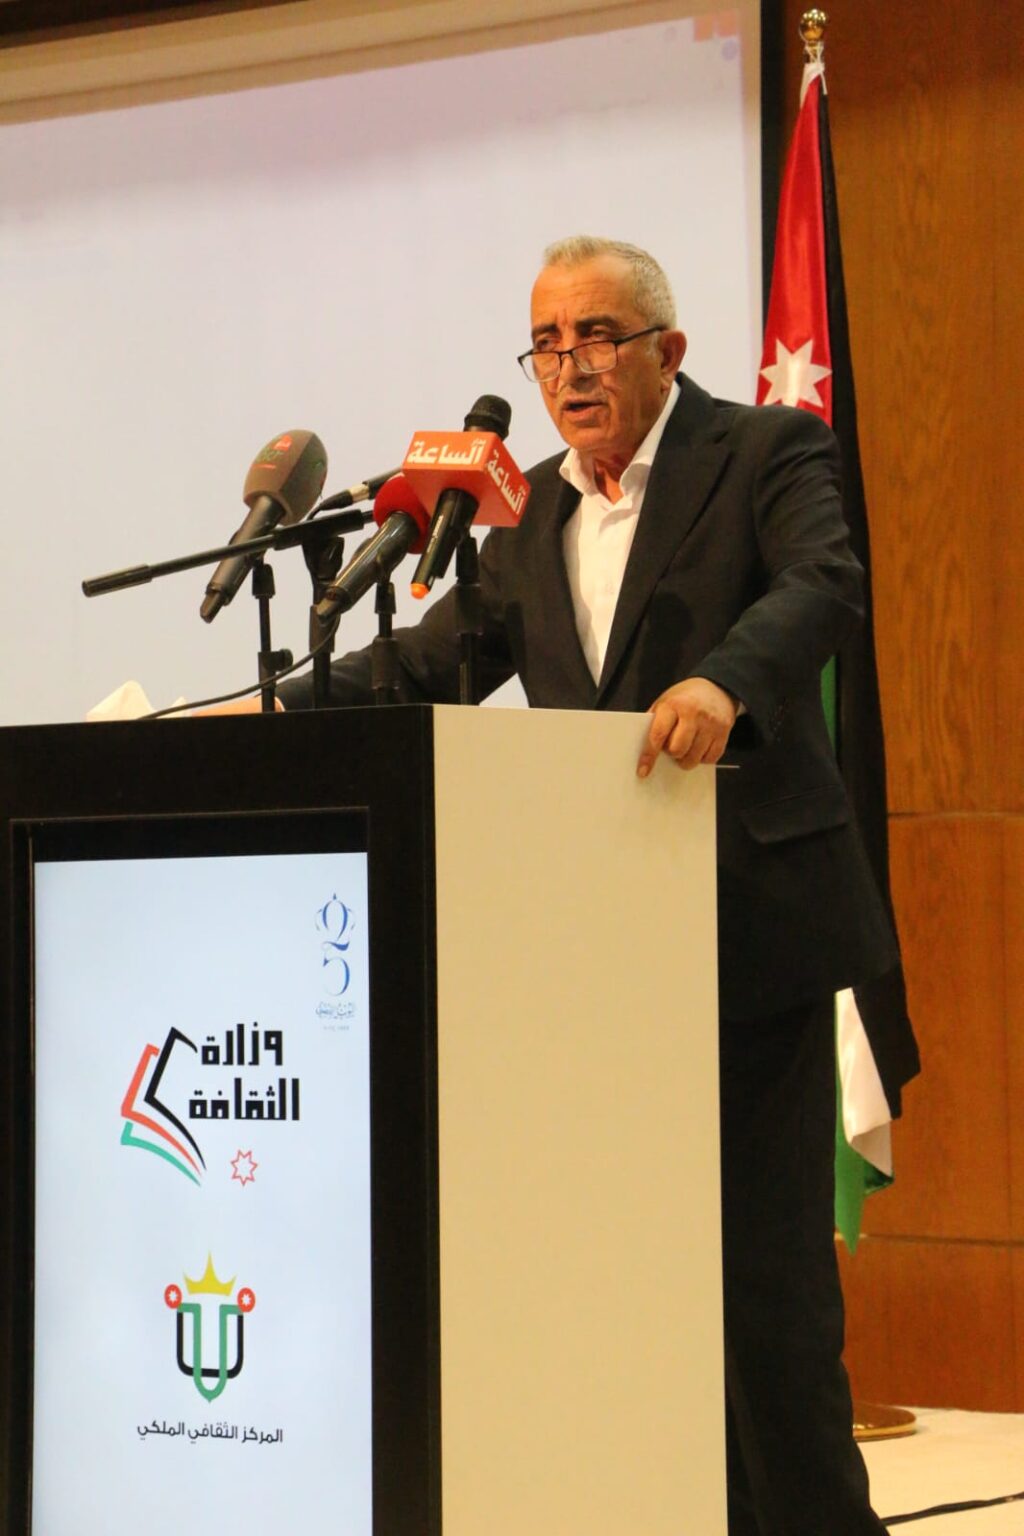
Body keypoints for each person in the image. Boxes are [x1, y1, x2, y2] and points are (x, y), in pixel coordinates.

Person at [278, 236, 907, 1534]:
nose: (570, 366)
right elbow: (427, 663)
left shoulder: (763, 453)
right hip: (600, 956)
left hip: (749, 938)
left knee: (766, 1301)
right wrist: (261, 708)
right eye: (548, 343)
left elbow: (825, 584)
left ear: (667, 350)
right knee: (635, 1298)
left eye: (598, 337)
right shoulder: (530, 521)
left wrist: (724, 681)